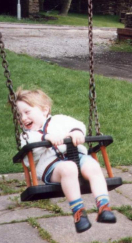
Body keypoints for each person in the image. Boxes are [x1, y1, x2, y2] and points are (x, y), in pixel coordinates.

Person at [15, 87, 116, 233]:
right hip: (53, 169)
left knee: (93, 166)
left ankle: (104, 207)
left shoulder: (60, 120)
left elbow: (78, 125)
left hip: (78, 158)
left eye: (27, 112)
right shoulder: (28, 136)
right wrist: (45, 138)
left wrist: (76, 132)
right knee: (68, 168)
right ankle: (79, 213)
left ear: (44, 110)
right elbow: (27, 156)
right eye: (19, 115)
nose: (23, 118)